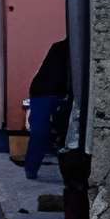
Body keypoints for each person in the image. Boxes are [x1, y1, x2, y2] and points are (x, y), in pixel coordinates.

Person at [22, 38, 71, 179]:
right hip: (48, 91)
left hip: (43, 90)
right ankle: (31, 169)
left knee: (40, 132)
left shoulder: (59, 47)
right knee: (42, 132)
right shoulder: (71, 49)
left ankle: (31, 169)